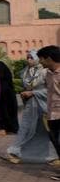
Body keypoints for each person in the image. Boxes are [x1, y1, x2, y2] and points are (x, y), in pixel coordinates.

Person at [4, 50, 57, 165]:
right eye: (27, 57)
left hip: (44, 105)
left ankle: (52, 155)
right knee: (26, 128)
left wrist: (34, 93)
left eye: (32, 58)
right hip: (31, 105)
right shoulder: (25, 71)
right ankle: (15, 151)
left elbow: (51, 90)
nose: (29, 60)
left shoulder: (46, 72)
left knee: (47, 131)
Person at [37, 45, 60, 175]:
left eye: (42, 59)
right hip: (52, 113)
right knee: (55, 141)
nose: (40, 62)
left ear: (49, 59)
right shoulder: (48, 74)